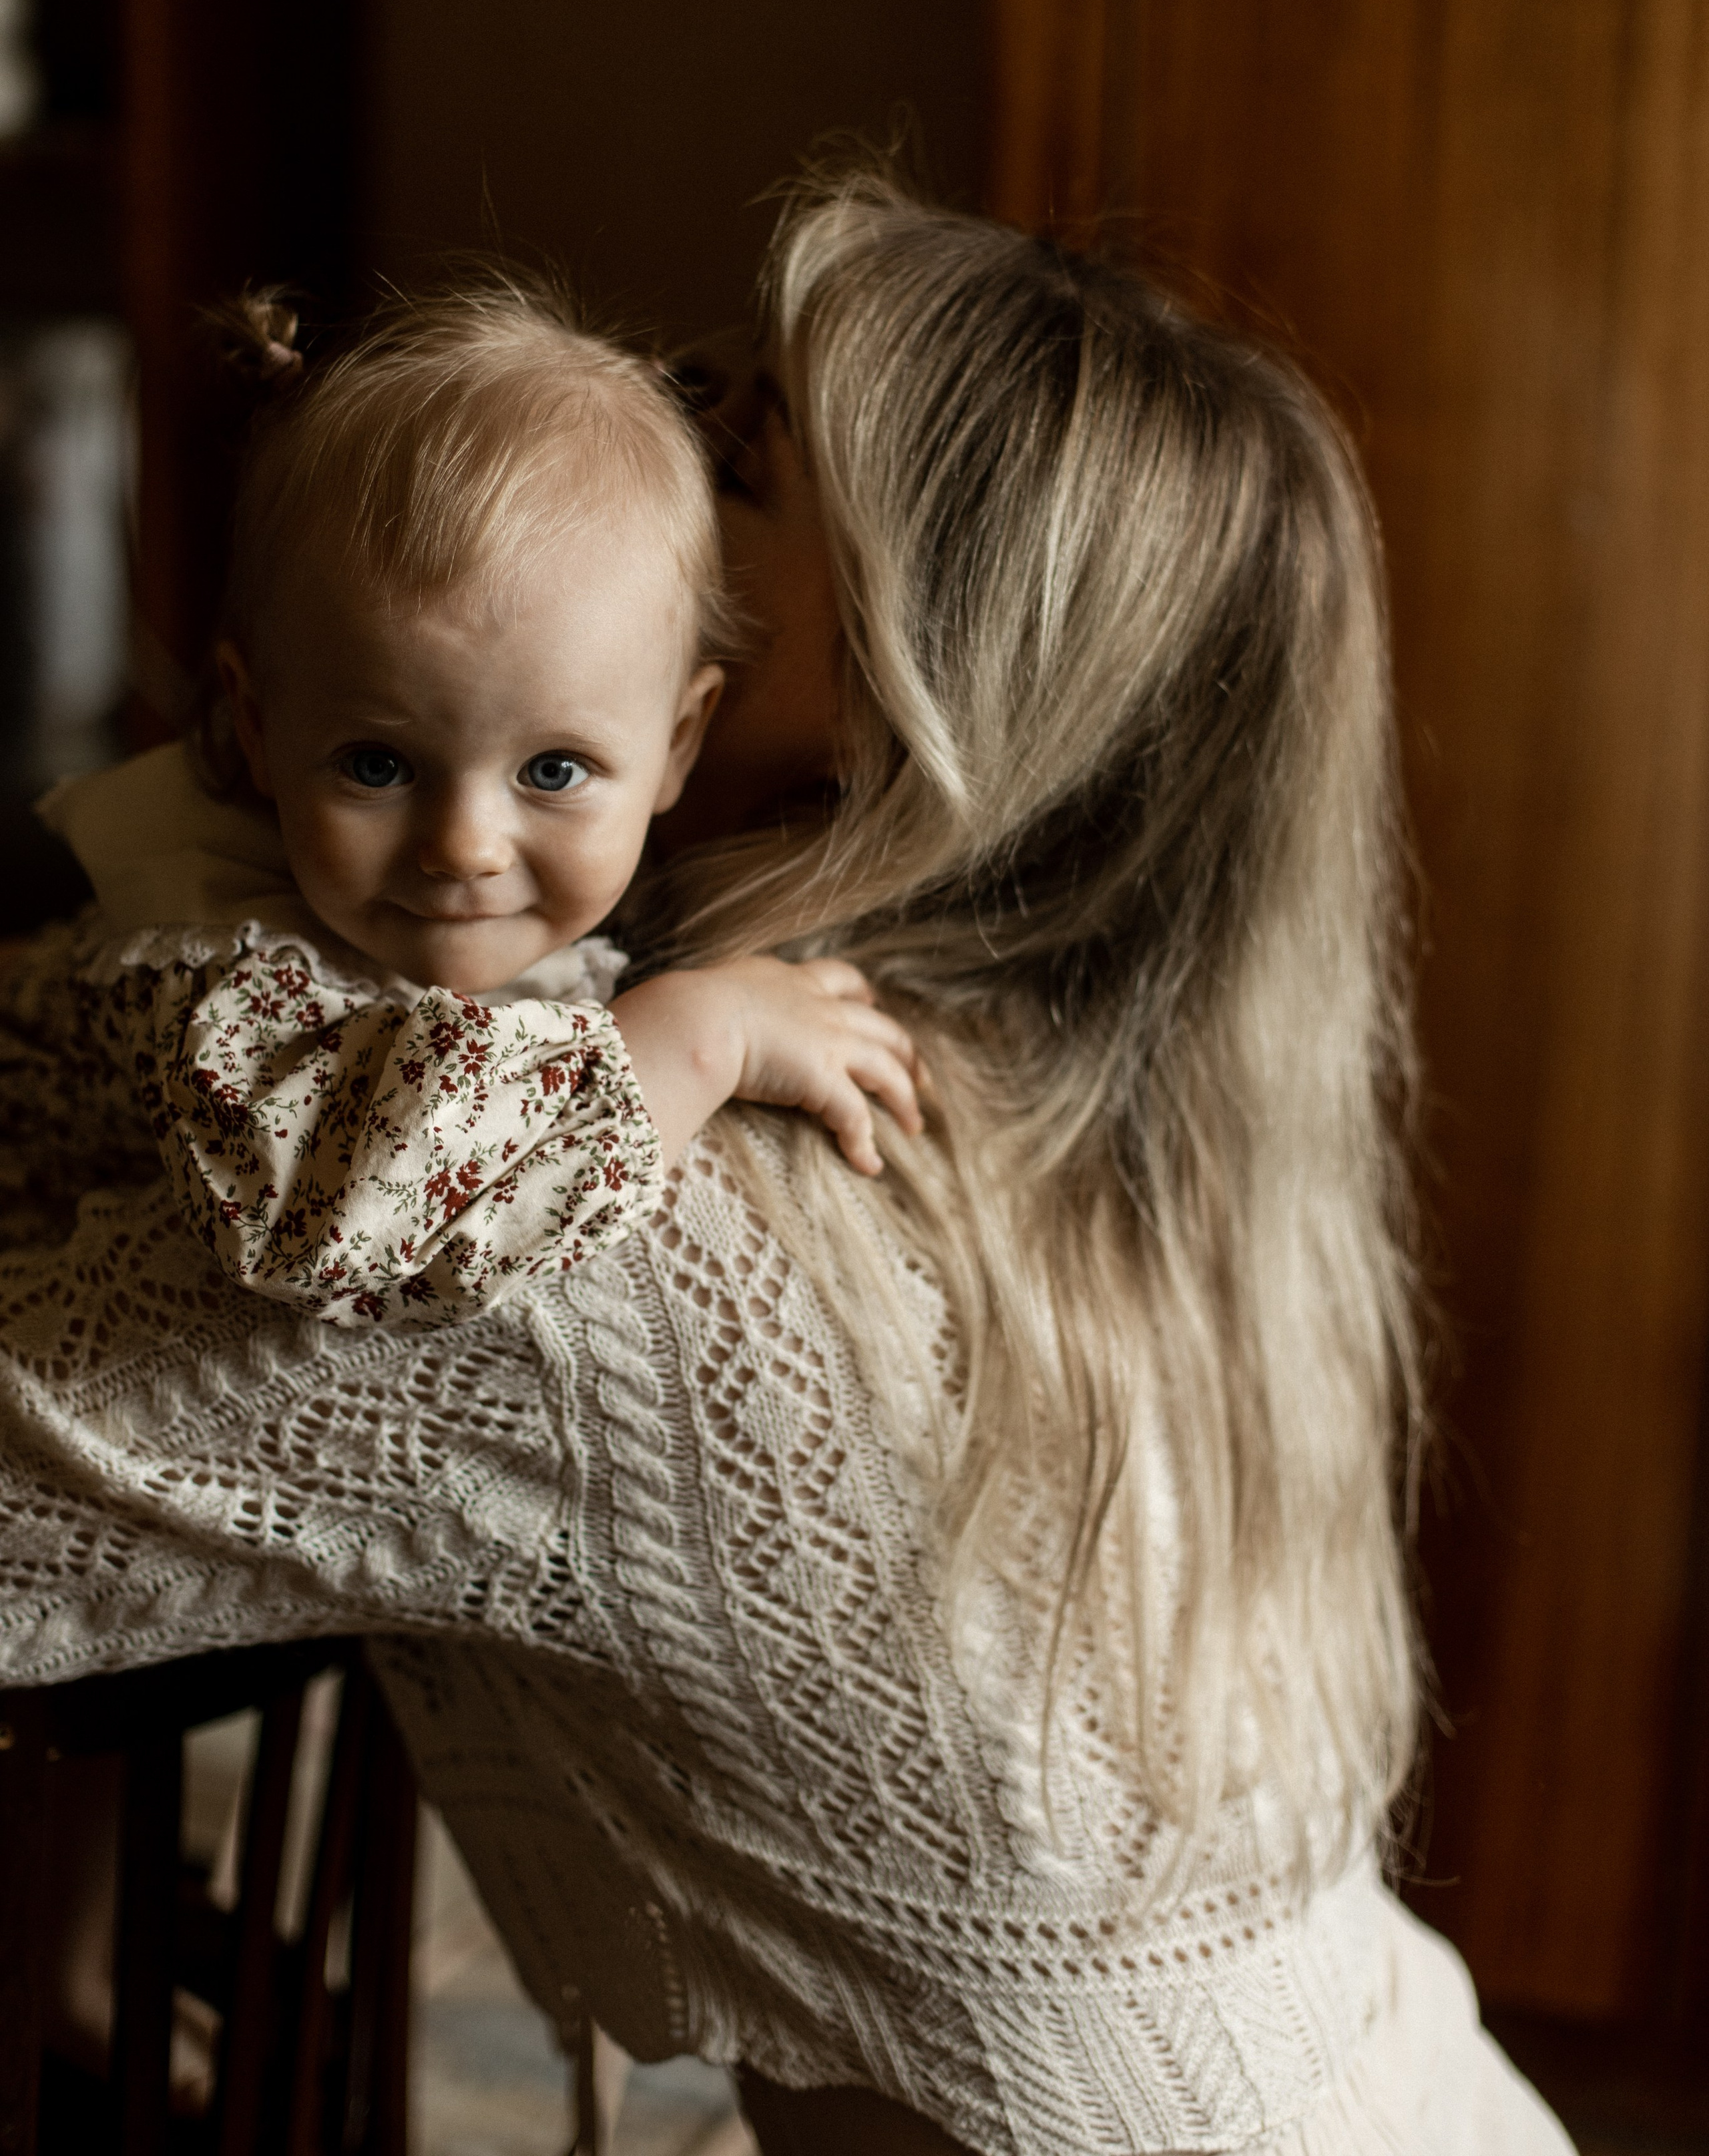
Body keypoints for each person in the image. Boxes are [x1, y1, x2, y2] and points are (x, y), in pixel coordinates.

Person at [0, 169, 1572, 2154]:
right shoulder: (1109, 1149)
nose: (634, 484)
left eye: (725, 464)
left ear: (878, 718)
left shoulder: (573, 1217)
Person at [0, 280, 921, 1337]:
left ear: (678, 742)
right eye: (378, 768)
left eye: (554, 772)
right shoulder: (226, 956)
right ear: (256, 726)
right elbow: (338, 1220)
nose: (463, 847)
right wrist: (701, 1036)